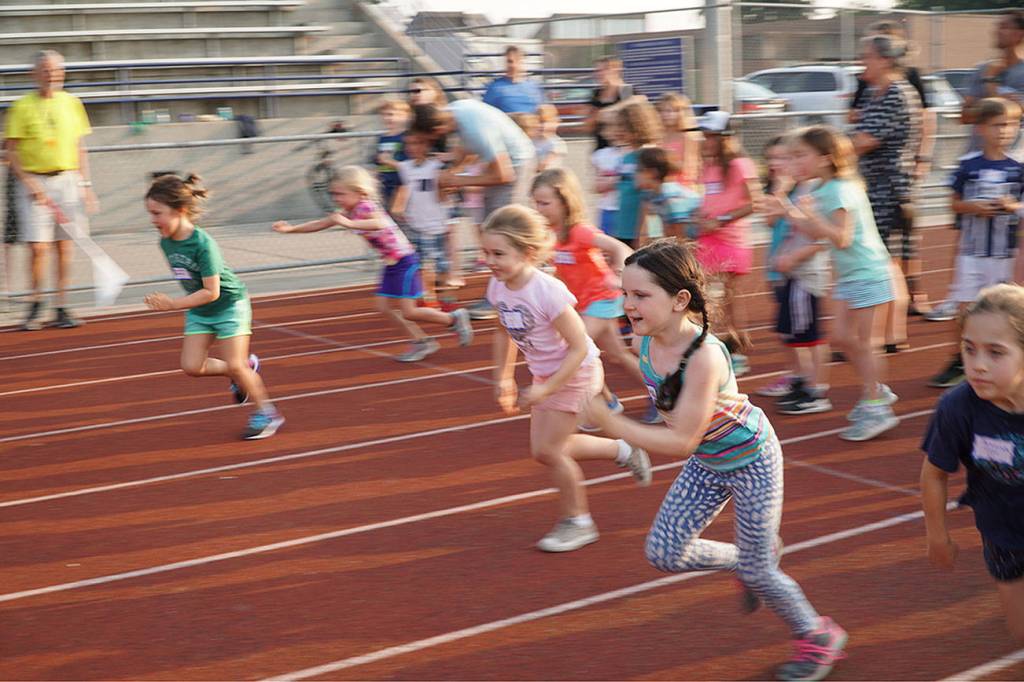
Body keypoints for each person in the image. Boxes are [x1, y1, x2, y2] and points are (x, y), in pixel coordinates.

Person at [583, 238, 847, 682]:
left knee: (760, 572)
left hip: (751, 461)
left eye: (640, 295)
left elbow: (683, 441)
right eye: (625, 293)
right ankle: (745, 559)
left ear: (679, 300)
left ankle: (819, 635)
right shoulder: (646, 336)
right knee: (664, 553)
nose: (627, 305)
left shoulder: (704, 356)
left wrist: (611, 423)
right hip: (709, 462)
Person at [482, 204, 652, 553]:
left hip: (576, 372)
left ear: (527, 252)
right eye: (486, 253)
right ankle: (622, 450)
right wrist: (503, 377)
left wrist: (548, 387)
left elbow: (579, 347)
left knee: (551, 450)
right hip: (546, 374)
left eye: (498, 254)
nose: (490, 261)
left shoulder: (547, 291)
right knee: (543, 451)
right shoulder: (498, 286)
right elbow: (502, 331)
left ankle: (578, 521)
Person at [272, 165, 473, 362]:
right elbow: (320, 224)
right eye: (333, 194)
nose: (336, 199)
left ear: (359, 192)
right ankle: (421, 341)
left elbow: (379, 223)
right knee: (384, 307)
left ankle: (453, 318)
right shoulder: (349, 211)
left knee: (410, 311)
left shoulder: (366, 206)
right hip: (391, 264)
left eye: (340, 194)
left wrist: (349, 223)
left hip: (404, 261)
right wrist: (291, 230)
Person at [920, 283, 1024, 646]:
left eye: (996, 352)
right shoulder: (958, 408)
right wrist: (937, 535)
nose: (978, 365)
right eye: (969, 349)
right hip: (1002, 534)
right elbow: (934, 474)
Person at [143, 174, 283, 440]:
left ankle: (267, 414)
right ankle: (244, 368)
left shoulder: (203, 244)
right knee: (192, 366)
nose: (152, 220)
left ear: (180, 210)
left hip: (230, 306)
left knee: (235, 364)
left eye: (157, 213)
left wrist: (172, 304)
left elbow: (211, 291)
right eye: (150, 213)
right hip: (201, 310)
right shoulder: (165, 242)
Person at [783, 126, 898, 442]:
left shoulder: (840, 190)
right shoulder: (823, 189)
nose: (796, 162)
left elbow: (842, 238)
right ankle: (877, 391)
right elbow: (815, 232)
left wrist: (809, 216)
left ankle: (876, 404)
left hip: (868, 271)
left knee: (865, 342)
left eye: (801, 155)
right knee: (841, 337)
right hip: (850, 275)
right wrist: (788, 210)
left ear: (825, 158)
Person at [530, 167, 661, 426]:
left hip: (602, 299)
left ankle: (600, 403)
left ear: (565, 201)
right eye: (536, 203)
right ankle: (638, 397)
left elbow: (619, 247)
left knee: (574, 349)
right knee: (617, 355)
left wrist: (619, 273)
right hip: (584, 303)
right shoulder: (552, 235)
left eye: (545, 203)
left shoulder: (580, 231)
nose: (539, 209)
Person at [929, 98, 1024, 389]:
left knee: (1006, 310)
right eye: (997, 125)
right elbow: (954, 203)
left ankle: (1010, 359)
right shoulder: (968, 165)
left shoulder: (1019, 167)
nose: (1004, 131)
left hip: (1005, 252)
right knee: (965, 307)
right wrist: (974, 207)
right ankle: (959, 358)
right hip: (972, 252)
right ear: (981, 128)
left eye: (1011, 125)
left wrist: (1012, 206)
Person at [412, 99, 536, 320]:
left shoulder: (475, 128)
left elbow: (504, 175)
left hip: (517, 163)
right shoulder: (455, 112)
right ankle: (506, 292)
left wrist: (458, 180)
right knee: (494, 231)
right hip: (507, 163)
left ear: (438, 129)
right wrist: (455, 170)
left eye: (430, 139)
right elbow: (468, 150)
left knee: (502, 233)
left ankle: (503, 297)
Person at [4, 49, 97, 331]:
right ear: (34, 74)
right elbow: (11, 151)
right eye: (46, 70)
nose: (52, 75)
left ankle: (61, 305)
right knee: (38, 247)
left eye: (57, 70)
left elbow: (80, 147)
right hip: (34, 182)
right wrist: (29, 182)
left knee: (65, 246)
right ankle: (35, 303)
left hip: (67, 181)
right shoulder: (22, 106)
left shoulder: (72, 103)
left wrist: (86, 185)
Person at [852, 34, 921, 355]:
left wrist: (827, 152)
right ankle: (889, 333)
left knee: (881, 259)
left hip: (890, 187)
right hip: (875, 185)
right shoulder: (874, 93)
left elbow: (865, 140)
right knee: (885, 259)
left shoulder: (895, 93)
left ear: (885, 60)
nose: (861, 61)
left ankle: (887, 333)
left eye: (867, 56)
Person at [695, 110, 762, 377]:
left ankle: (736, 349)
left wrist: (721, 220)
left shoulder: (739, 164)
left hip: (731, 240)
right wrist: (699, 215)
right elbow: (708, 199)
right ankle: (716, 345)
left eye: (711, 136)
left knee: (729, 297)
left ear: (726, 138)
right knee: (705, 293)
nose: (706, 141)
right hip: (707, 239)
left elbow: (754, 203)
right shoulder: (708, 166)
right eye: (705, 136)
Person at [391, 129, 451, 302]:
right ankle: (429, 297)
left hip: (436, 224)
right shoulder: (404, 167)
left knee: (440, 264)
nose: (411, 147)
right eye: (408, 144)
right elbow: (401, 190)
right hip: (414, 224)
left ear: (427, 145)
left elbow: (445, 192)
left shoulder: (437, 166)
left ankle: (445, 297)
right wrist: (397, 209)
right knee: (420, 264)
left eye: (417, 143)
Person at [612, 99, 662, 247]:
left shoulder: (648, 156)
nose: (618, 130)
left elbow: (650, 198)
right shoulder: (626, 157)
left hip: (640, 232)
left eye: (623, 126)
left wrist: (643, 233)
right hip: (623, 228)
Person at [634, 147, 701, 242]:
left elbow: (679, 240)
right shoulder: (650, 196)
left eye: (638, 170)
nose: (634, 175)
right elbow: (650, 234)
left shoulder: (673, 197)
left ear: (652, 172)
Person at [584, 56, 634, 151]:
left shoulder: (627, 91)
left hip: (623, 149)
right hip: (601, 149)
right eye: (597, 71)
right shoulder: (596, 94)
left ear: (616, 70)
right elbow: (587, 126)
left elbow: (633, 119)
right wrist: (601, 115)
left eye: (603, 70)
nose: (598, 74)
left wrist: (604, 113)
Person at [370, 99, 410, 208]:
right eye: (384, 115)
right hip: (385, 181)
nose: (387, 118)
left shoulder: (406, 137)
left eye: (391, 115)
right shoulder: (382, 138)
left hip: (400, 182)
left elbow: (409, 163)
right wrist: (377, 160)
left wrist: (389, 161)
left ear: (405, 116)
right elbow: (378, 159)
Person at [656, 92, 701, 187]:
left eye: (670, 111)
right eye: (662, 111)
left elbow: (689, 168)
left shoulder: (688, 137)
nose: (665, 115)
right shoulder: (657, 137)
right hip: (660, 186)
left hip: (682, 186)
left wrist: (666, 161)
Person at [482, 45, 543, 115]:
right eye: (509, 61)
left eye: (517, 61)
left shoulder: (533, 86)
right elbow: (486, 114)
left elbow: (543, 109)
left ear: (522, 62)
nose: (513, 65)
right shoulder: (496, 88)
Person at [591, 111, 624, 236]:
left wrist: (612, 181)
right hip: (607, 209)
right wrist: (618, 179)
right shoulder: (601, 155)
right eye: (608, 126)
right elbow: (597, 186)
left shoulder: (634, 153)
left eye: (618, 125)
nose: (614, 130)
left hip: (626, 209)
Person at [533, 104, 568, 171]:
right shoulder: (533, 140)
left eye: (545, 122)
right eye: (538, 122)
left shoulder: (557, 143)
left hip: (550, 175)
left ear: (555, 123)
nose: (541, 125)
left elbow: (544, 165)